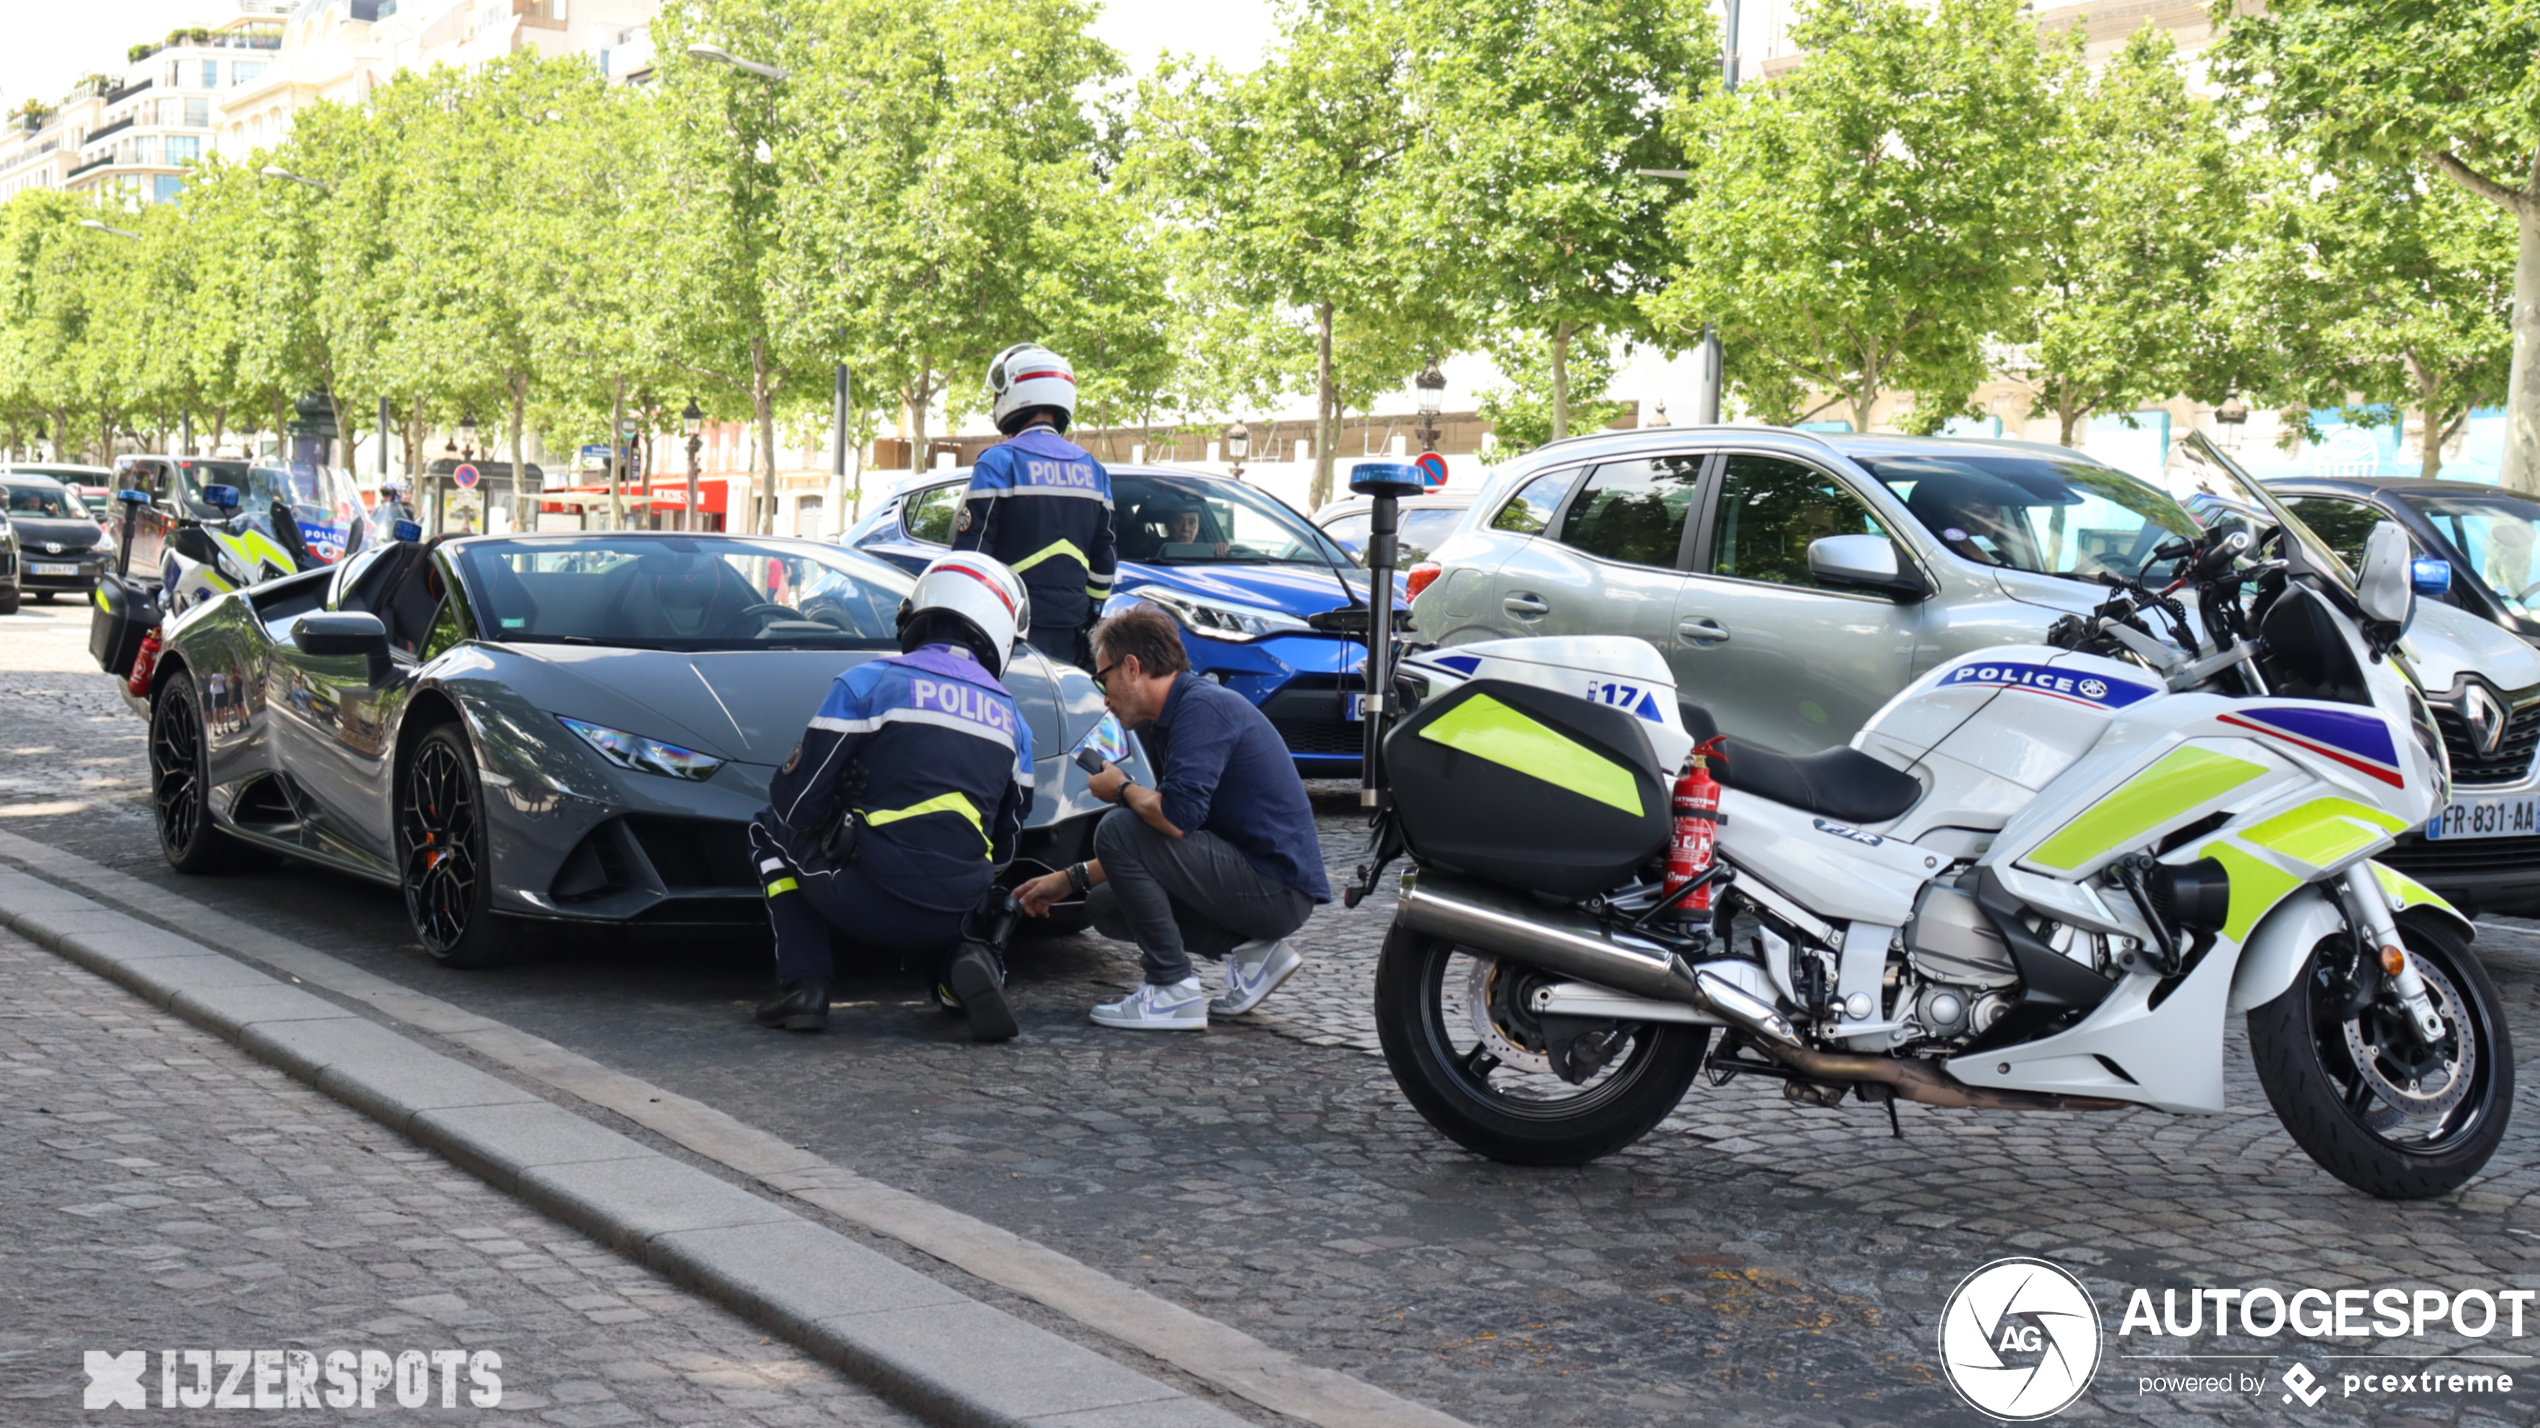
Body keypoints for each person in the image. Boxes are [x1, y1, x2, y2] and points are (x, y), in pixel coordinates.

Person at [751, 552, 1037, 1041]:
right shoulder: (1015, 723)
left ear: (919, 613)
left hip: (863, 894)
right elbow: (1006, 849)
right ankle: (960, 968)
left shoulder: (869, 682)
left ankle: (805, 984)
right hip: (952, 908)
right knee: (956, 875)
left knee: (765, 828)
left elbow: (795, 807)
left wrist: (841, 803)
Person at [1013, 602, 1326, 1029]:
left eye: (1101, 677)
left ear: (1132, 667)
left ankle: (1171, 990)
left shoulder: (1202, 710)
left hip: (1277, 889)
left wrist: (1120, 789)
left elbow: (1176, 819)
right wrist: (1069, 879)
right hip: (1259, 879)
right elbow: (1159, 846)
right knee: (1106, 905)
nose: (1103, 695)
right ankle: (1252, 956)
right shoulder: (1178, 713)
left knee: (1118, 826)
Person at [950, 343, 1116, 667]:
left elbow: (970, 558)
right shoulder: (1094, 471)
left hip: (1008, 624)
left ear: (1016, 393)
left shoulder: (999, 462)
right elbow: (1104, 560)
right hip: (1071, 630)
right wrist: (1091, 613)